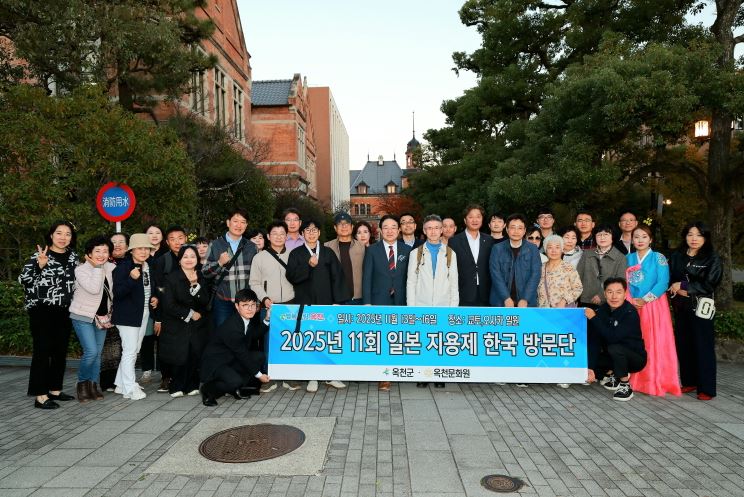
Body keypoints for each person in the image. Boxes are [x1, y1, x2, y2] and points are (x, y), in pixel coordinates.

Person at [286, 218, 351, 392]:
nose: (311, 233)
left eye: (314, 230)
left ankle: (330, 375)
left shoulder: (328, 252)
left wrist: (337, 301)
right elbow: (292, 277)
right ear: (302, 233)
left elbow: (338, 277)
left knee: (327, 339)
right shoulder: (296, 254)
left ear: (319, 233)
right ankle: (312, 377)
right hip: (306, 304)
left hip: (326, 303)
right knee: (310, 340)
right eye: (307, 230)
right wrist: (308, 266)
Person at [18, 220, 78, 409]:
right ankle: (40, 396)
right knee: (42, 352)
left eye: (67, 234)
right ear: (51, 235)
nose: (63, 237)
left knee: (60, 351)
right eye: (59, 233)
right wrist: (39, 266)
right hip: (42, 310)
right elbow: (23, 280)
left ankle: (55, 390)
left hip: (65, 310)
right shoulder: (40, 255)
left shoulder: (73, 257)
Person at [669, 222, 723, 400]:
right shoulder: (677, 256)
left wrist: (684, 286)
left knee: (703, 347)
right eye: (690, 234)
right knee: (684, 345)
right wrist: (675, 288)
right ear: (685, 236)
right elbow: (670, 278)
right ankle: (689, 381)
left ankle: (706, 388)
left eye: (699, 235)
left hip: (701, 308)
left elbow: (710, 283)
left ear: (705, 237)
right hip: (680, 306)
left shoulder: (712, 258)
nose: (694, 238)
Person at [626, 224, 681, 397]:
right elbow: (623, 281)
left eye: (644, 236)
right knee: (635, 340)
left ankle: (654, 379)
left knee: (653, 341)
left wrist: (645, 299)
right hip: (632, 304)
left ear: (650, 239)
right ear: (632, 240)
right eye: (636, 237)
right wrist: (630, 300)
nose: (640, 240)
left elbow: (663, 282)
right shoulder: (628, 258)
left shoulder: (658, 257)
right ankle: (633, 378)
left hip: (654, 304)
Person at [407, 214, 458, 388]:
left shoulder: (450, 253)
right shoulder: (416, 253)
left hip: (443, 305)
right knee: (423, 341)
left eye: (437, 228)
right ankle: (423, 375)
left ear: (442, 230)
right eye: (429, 228)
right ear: (424, 230)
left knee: (440, 340)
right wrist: (411, 308)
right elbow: (411, 282)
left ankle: (439, 375)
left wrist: (453, 309)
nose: (433, 231)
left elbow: (454, 284)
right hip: (421, 305)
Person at [248, 220, 300, 393]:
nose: (278, 237)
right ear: (268, 236)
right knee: (268, 343)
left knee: (289, 341)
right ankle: (268, 377)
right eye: (275, 234)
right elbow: (254, 282)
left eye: (282, 234)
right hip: (269, 306)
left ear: (286, 236)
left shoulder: (294, 255)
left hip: (290, 305)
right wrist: (264, 298)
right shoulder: (259, 257)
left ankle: (289, 376)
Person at [362, 215, 412, 391]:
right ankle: (383, 376)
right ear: (380, 230)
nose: (390, 231)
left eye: (393, 227)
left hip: (401, 300)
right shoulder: (372, 250)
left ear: (399, 230)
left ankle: (399, 370)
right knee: (382, 338)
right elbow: (367, 277)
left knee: (398, 337)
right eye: (386, 227)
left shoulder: (408, 250)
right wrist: (367, 303)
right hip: (379, 300)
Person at [199, 289, 271, 407]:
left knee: (258, 356)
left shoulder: (245, 319)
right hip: (216, 363)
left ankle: (236, 388)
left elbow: (254, 335)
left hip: (231, 358)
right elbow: (242, 354)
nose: (250, 309)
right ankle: (208, 390)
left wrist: (267, 319)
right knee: (235, 381)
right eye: (245, 305)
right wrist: (259, 375)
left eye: (253, 305)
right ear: (237, 306)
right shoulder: (232, 327)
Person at [69, 235, 116, 403]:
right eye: (97, 251)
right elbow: (94, 289)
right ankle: (82, 384)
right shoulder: (81, 270)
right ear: (89, 253)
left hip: (102, 317)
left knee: (97, 354)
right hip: (83, 316)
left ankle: (93, 385)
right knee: (91, 352)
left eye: (105, 251)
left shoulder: (111, 268)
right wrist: (97, 268)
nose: (101, 254)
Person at [112, 234, 158, 400]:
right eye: (139, 248)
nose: (143, 251)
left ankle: (120, 384)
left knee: (134, 349)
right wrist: (131, 279)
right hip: (127, 316)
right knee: (130, 351)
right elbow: (117, 293)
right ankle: (129, 388)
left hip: (143, 313)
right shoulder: (123, 267)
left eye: (146, 248)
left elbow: (149, 288)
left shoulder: (148, 266)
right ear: (131, 250)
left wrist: (154, 297)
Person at [585, 278, 647, 401]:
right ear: (604, 294)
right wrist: (590, 368)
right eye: (610, 292)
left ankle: (625, 385)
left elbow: (613, 337)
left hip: (634, 358)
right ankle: (613, 373)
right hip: (613, 354)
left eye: (618, 292)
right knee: (588, 358)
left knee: (615, 347)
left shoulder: (630, 312)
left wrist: (594, 319)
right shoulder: (602, 310)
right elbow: (595, 339)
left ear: (625, 294)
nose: (614, 296)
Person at [160, 245, 211, 398]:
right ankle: (176, 385)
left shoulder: (201, 276)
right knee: (179, 354)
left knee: (194, 352)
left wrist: (195, 284)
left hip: (197, 324)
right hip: (177, 322)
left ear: (198, 259)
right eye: (185, 256)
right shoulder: (170, 278)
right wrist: (189, 313)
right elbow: (168, 304)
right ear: (180, 260)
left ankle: (192, 385)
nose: (189, 260)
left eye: (192, 256)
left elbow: (205, 301)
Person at [202, 208, 257, 328]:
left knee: (244, 333)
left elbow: (257, 276)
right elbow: (205, 273)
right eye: (235, 221)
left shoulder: (252, 247)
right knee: (223, 333)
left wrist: (256, 301)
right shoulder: (215, 245)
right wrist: (219, 263)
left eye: (243, 222)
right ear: (228, 223)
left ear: (246, 225)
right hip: (223, 301)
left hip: (246, 302)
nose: (239, 225)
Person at [149, 225, 187, 392]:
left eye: (180, 238)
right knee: (165, 345)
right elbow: (157, 288)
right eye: (172, 239)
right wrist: (158, 318)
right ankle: (166, 377)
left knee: (185, 344)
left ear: (186, 239)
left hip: (187, 310)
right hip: (167, 310)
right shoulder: (162, 261)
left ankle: (184, 377)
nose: (177, 242)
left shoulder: (191, 257)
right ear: (167, 242)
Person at [489, 214, 542, 308]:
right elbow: (495, 274)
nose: (516, 231)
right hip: (501, 301)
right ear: (507, 229)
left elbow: (535, 275)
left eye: (520, 228)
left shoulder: (532, 249)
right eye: (513, 227)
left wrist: (525, 298)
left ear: (524, 231)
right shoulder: (497, 248)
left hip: (526, 302)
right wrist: (506, 298)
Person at [448, 204, 494, 307]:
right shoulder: (454, 241)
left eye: (478, 217)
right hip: (463, 292)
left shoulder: (489, 240)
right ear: (465, 220)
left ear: (482, 219)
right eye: (471, 217)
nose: (475, 220)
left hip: (485, 293)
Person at [576, 225, 627, 309]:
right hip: (585, 299)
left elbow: (621, 280)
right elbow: (578, 276)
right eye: (599, 235)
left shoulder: (620, 257)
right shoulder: (587, 254)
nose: (602, 238)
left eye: (606, 234)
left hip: (609, 301)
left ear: (613, 237)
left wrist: (602, 295)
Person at [325, 212, 365, 305]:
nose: (344, 226)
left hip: (358, 299)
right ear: (335, 228)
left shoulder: (362, 247)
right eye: (340, 224)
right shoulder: (326, 247)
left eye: (347, 223)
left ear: (352, 227)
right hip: (335, 299)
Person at [538, 235, 582, 309]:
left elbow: (578, 288)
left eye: (557, 247)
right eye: (550, 247)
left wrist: (564, 300)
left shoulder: (568, 268)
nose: (553, 251)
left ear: (562, 250)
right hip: (543, 311)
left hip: (563, 311)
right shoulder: (540, 268)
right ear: (545, 250)